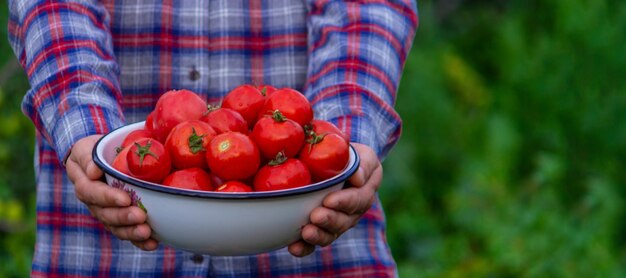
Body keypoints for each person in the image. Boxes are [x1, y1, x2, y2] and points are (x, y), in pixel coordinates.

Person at [8, 0, 418, 276]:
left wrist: (345, 141)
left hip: (318, 221)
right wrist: (87, 131)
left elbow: (368, 8)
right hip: (100, 244)